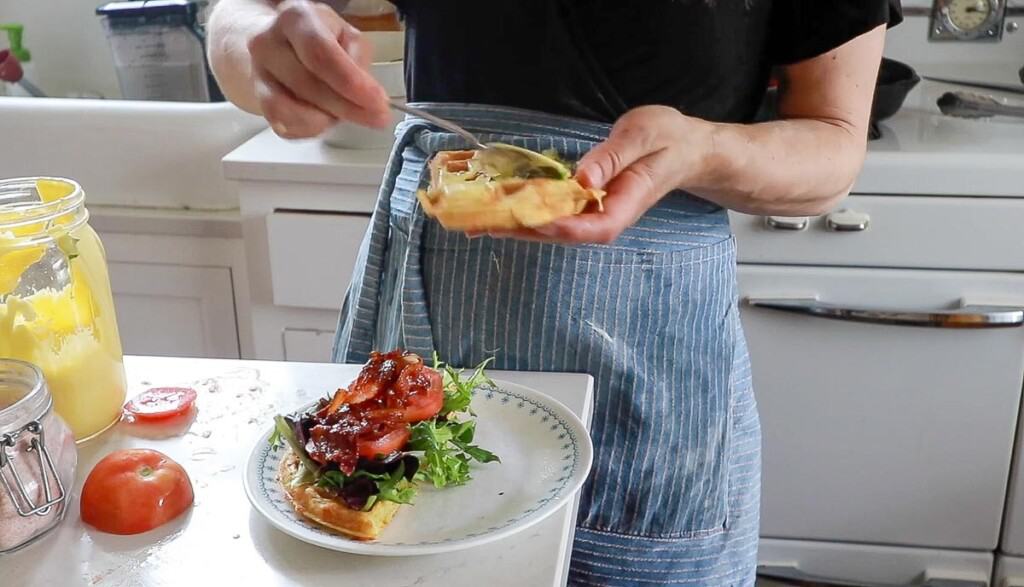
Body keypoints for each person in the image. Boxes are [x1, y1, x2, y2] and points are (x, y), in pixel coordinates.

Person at [208, 2, 901, 584]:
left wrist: (701, 150)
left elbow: (833, 146)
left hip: (650, 349)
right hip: (422, 305)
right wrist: (255, 47)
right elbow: (239, 16)